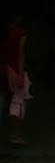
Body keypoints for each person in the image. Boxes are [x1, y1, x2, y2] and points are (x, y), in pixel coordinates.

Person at [4, 13, 28, 145]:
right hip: (13, 69)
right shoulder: (20, 33)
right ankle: (15, 134)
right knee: (19, 101)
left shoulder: (5, 32)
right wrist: (20, 73)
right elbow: (20, 52)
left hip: (4, 67)